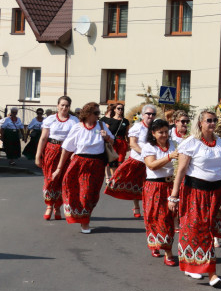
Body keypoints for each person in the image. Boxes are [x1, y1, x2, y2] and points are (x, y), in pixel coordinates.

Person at [169, 109, 221, 288]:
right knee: (196, 229)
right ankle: (208, 271)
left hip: (215, 192)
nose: (212, 123)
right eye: (208, 120)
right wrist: (173, 196)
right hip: (195, 192)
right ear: (200, 123)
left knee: (209, 229)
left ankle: (198, 265)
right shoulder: (191, 143)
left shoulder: (219, 142)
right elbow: (181, 170)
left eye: (214, 120)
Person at [51, 102, 114, 234]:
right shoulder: (77, 128)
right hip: (79, 163)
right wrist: (59, 168)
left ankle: (84, 217)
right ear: (88, 114)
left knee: (92, 195)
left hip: (97, 164)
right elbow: (67, 149)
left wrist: (106, 137)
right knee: (81, 193)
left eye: (99, 113)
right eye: (96, 113)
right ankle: (84, 222)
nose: (98, 116)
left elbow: (112, 141)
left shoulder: (101, 126)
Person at [105, 104, 155, 218]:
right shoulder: (137, 127)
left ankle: (147, 208)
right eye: (148, 114)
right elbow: (132, 143)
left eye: (153, 114)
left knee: (148, 186)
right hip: (137, 160)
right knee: (135, 184)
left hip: (151, 163)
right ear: (143, 115)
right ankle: (136, 205)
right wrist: (145, 154)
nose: (150, 116)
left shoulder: (156, 128)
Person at [141, 118, 179, 266]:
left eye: (165, 131)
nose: (164, 135)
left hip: (171, 185)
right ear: (153, 133)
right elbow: (151, 165)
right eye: (160, 132)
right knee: (155, 216)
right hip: (155, 186)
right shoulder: (149, 147)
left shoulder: (174, 144)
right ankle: (161, 247)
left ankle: (165, 248)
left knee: (169, 218)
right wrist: (169, 156)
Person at [35, 97, 79, 220]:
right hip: (51, 150)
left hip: (67, 152)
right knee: (50, 178)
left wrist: (75, 154)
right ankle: (49, 205)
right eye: (62, 105)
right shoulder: (50, 119)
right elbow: (43, 138)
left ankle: (58, 206)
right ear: (57, 105)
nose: (64, 108)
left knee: (63, 180)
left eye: (67, 106)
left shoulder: (74, 121)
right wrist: (38, 155)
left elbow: (76, 139)